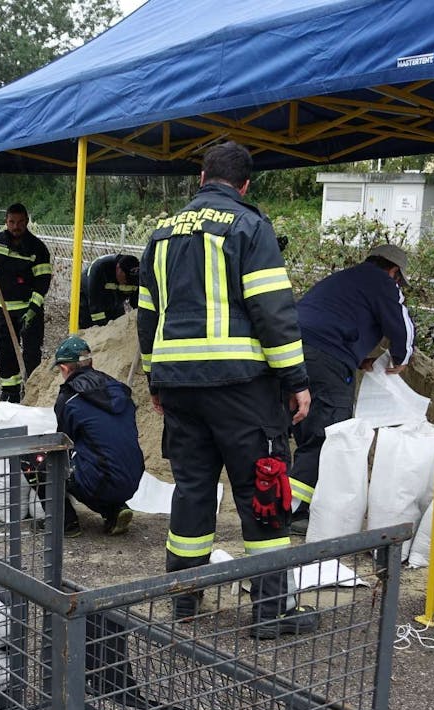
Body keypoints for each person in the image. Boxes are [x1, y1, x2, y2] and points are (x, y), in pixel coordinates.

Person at [136, 141, 316, 639]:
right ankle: (271, 612)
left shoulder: (162, 233)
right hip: (240, 387)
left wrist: (156, 377)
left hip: (179, 387)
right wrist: (296, 381)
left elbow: (147, 314)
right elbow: (272, 311)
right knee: (263, 485)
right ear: (245, 185)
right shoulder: (249, 227)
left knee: (193, 490)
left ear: (200, 177)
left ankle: (185, 601)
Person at [287, 243, 415, 532]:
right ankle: (293, 511)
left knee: (298, 427)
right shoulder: (382, 281)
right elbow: (402, 327)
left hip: (290, 351)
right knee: (328, 433)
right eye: (398, 279)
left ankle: (277, 501)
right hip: (326, 359)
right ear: (393, 271)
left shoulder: (343, 279)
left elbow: (327, 320)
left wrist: (356, 359)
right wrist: (401, 359)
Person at [51, 336, 143, 536]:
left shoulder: (69, 398)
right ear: (90, 362)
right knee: (100, 458)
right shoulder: (116, 388)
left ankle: (65, 523)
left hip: (101, 480)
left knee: (44, 462)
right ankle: (114, 511)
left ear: (65, 369)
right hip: (134, 476)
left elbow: (63, 444)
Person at [0, 203, 53, 402]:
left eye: (20, 222)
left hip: (29, 310)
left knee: (31, 352)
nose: (15, 226)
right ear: (6, 221)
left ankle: (31, 390)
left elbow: (43, 282)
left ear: (26, 222)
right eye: (12, 222)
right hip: (3, 308)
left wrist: (33, 309)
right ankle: (9, 392)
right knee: (5, 350)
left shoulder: (37, 248)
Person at [80, 253, 139, 327]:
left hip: (115, 300)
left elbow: (136, 302)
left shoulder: (137, 276)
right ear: (118, 269)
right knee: (88, 323)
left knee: (117, 324)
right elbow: (95, 306)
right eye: (125, 279)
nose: (125, 283)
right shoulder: (100, 268)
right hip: (89, 295)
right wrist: (102, 328)